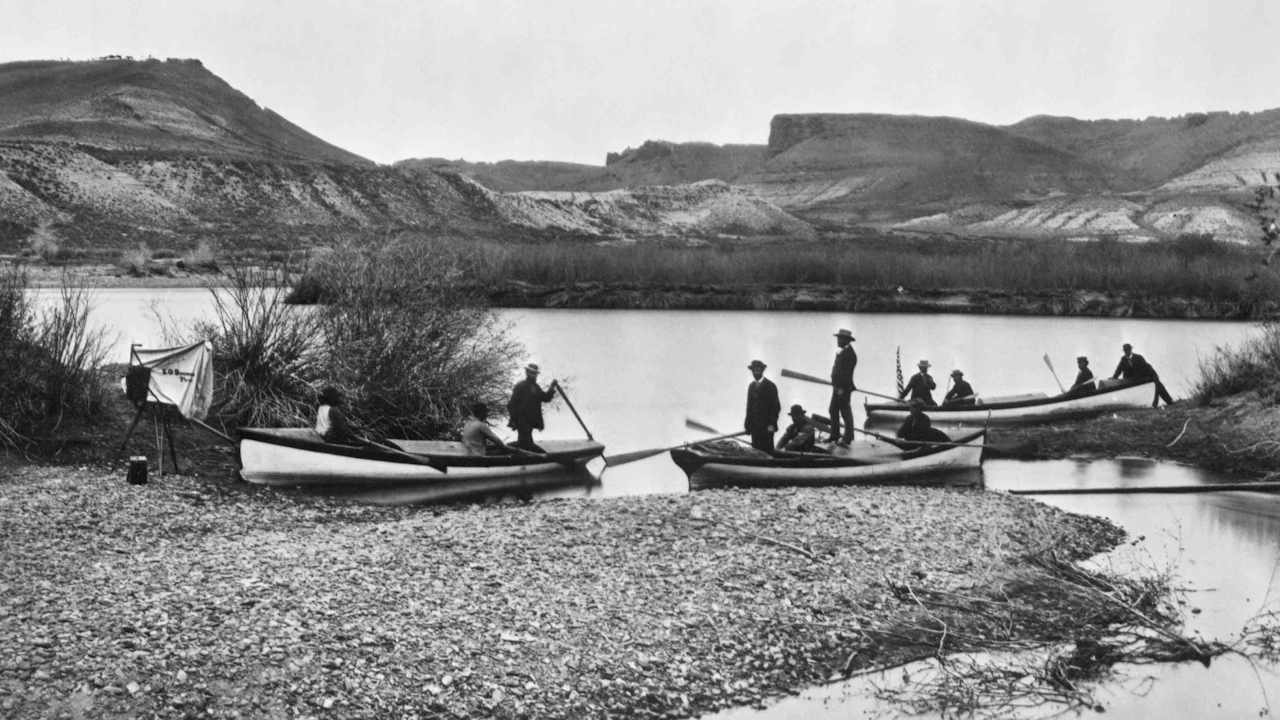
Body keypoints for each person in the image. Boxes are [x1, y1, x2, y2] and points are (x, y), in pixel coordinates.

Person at [507, 363, 557, 451]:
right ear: (527, 372)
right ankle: (510, 451)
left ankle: (519, 454)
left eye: (535, 374)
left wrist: (552, 388)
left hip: (530, 420)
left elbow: (545, 398)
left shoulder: (536, 387)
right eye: (532, 373)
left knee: (525, 442)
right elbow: (512, 405)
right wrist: (514, 420)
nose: (534, 376)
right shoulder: (520, 386)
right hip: (521, 420)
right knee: (526, 442)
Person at [1111, 343, 1174, 407]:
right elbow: (1118, 370)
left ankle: (1168, 401)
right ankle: (1155, 404)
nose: (1127, 351)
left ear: (1131, 349)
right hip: (1130, 381)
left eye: (1128, 349)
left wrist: (1155, 375)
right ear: (1124, 351)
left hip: (1140, 378)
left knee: (1157, 383)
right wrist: (1114, 377)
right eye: (1125, 350)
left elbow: (1148, 367)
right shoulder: (1123, 360)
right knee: (1156, 384)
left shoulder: (1138, 357)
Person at [825, 328, 857, 445]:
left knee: (845, 411)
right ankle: (835, 435)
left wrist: (841, 389)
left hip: (842, 388)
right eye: (838, 338)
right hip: (837, 387)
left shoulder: (849, 354)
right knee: (833, 410)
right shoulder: (843, 352)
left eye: (840, 339)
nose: (837, 340)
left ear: (846, 340)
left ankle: (848, 438)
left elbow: (846, 374)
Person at [743, 359, 781, 452]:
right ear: (752, 371)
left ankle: (769, 465)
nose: (756, 372)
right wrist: (747, 424)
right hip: (754, 427)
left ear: (762, 371)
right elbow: (749, 407)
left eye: (758, 370)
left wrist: (772, 424)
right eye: (754, 370)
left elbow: (776, 407)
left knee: (767, 451)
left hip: (766, 427)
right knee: (756, 450)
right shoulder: (751, 386)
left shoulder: (770, 386)